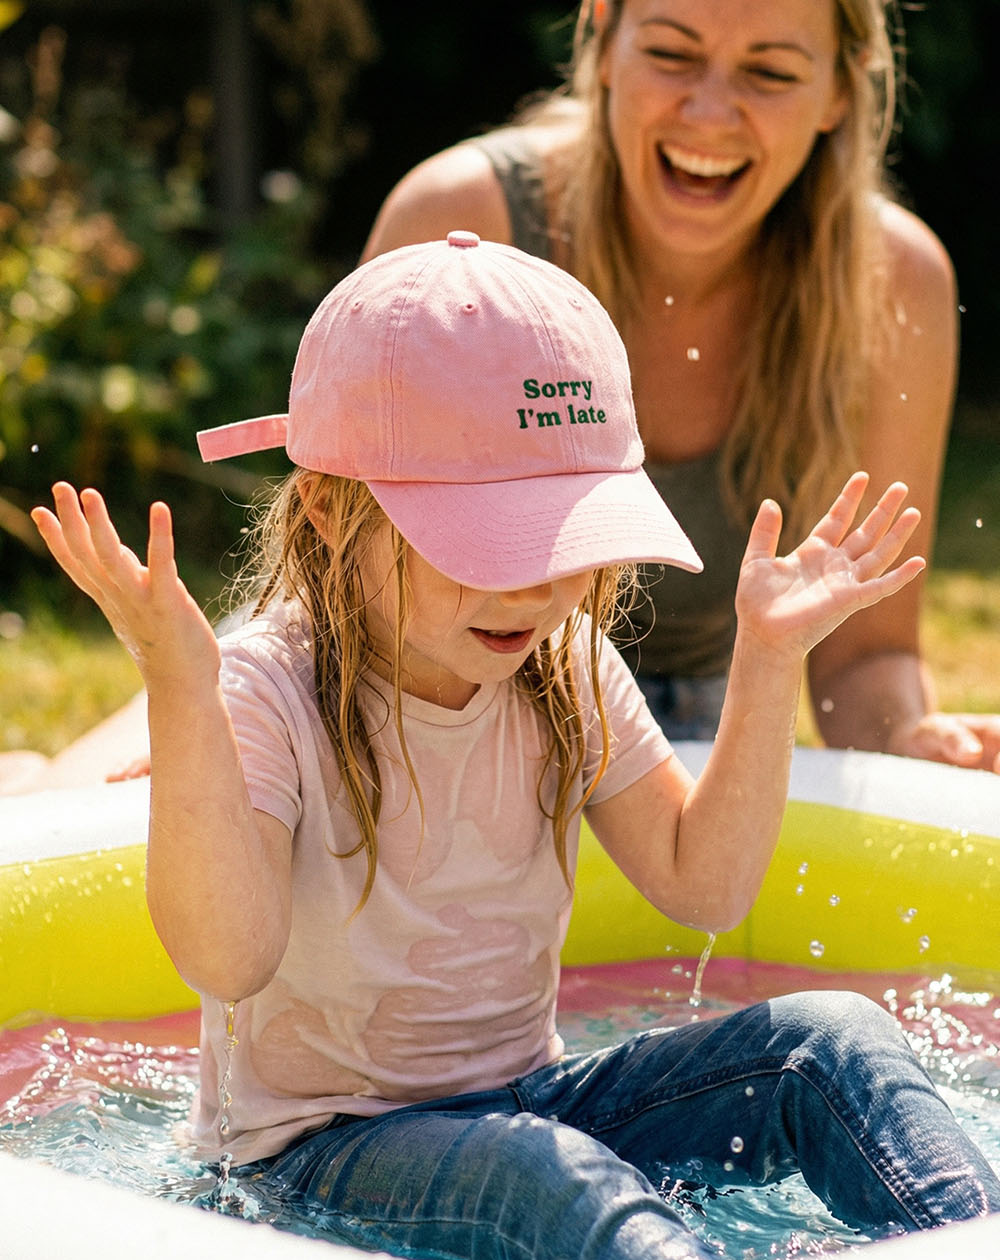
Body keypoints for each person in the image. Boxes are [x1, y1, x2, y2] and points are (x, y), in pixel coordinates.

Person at [30, 234, 1000, 1260]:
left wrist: (766, 660)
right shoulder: (268, 688)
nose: (533, 589)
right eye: (488, 542)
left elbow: (705, 883)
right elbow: (227, 958)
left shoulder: (563, 666)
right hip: (313, 1154)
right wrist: (182, 692)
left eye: (560, 537)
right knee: (556, 1181)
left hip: (530, 1108)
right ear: (327, 505)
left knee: (830, 1041)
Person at [360, 0, 1000, 769]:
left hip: (692, 731)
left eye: (769, 72)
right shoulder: (462, 224)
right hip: (430, 699)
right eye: (671, 55)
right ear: (603, 37)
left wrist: (907, 742)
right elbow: (343, 575)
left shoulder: (897, 283)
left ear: (838, 90)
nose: (709, 113)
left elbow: (862, 657)